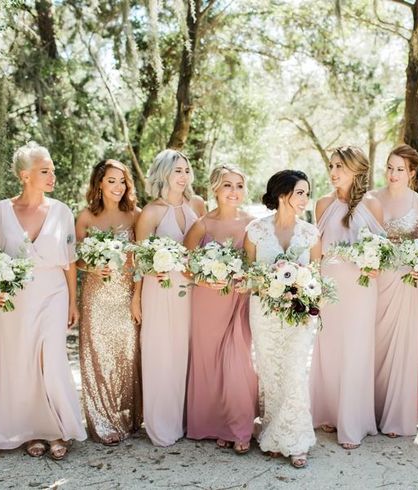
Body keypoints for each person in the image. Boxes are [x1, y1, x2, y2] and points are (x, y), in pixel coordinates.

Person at [0, 142, 85, 459]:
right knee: (22, 363)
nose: (52, 175)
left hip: (53, 293)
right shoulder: (0, 211)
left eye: (52, 169)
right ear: (25, 175)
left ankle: (58, 429)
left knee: (51, 361)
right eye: (44, 170)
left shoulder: (62, 211)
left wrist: (72, 303)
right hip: (14, 301)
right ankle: (28, 431)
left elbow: (70, 261)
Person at [244, 170, 321, 468]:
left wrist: (301, 288)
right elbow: (249, 275)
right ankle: (274, 435)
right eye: (300, 192)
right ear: (281, 194)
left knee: (294, 370)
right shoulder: (255, 231)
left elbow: (317, 276)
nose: (305, 199)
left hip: (299, 316)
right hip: (263, 313)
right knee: (271, 371)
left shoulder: (311, 234)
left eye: (307, 193)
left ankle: (298, 440)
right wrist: (270, 285)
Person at [310, 146, 384, 449]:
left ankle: (352, 423)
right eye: (331, 165)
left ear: (357, 170)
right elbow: (315, 249)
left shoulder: (373, 205)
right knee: (329, 349)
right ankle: (328, 411)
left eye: (340, 166)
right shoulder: (322, 204)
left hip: (361, 289)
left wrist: (376, 266)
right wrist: (313, 284)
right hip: (329, 287)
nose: (334, 172)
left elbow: (381, 250)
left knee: (356, 349)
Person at [132, 149, 205, 446]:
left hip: (191, 290)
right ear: (163, 174)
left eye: (186, 170)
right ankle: (162, 424)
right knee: (160, 352)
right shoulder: (150, 212)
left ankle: (189, 418)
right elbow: (139, 259)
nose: (183, 175)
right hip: (159, 289)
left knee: (187, 352)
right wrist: (136, 299)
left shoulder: (198, 205)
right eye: (177, 170)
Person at [184, 164, 257, 454]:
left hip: (238, 300)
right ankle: (215, 425)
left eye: (239, 186)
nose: (234, 192)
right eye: (227, 185)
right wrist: (206, 278)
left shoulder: (252, 224)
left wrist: (244, 280)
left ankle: (239, 427)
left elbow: (255, 266)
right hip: (206, 300)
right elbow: (185, 265)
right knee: (208, 363)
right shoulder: (202, 224)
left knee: (237, 362)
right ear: (215, 188)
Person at [370, 144, 418, 437]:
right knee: (374, 343)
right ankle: (368, 410)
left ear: (412, 172)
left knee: (402, 347)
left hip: (409, 283)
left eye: (400, 169)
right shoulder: (371, 200)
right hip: (376, 280)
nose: (393, 174)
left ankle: (397, 416)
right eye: (389, 167)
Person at [76, 159, 142, 446]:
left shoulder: (135, 216)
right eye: (112, 180)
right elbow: (75, 259)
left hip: (126, 294)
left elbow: (142, 260)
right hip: (96, 296)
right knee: (98, 357)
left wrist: (137, 298)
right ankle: (101, 421)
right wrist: (90, 266)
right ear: (100, 182)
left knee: (127, 356)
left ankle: (128, 417)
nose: (118, 186)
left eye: (123, 181)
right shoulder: (86, 217)